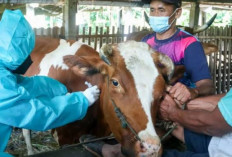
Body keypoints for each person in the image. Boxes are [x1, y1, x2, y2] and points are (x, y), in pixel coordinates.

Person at [78, 0, 215, 156]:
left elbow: (207, 86)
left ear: (177, 13)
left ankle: (112, 150)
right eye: (152, 10)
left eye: (161, 10)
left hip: (176, 114)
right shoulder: (145, 43)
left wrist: (192, 92)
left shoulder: (189, 44)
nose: (155, 15)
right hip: (148, 111)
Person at [0, 9, 100, 157]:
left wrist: (59, 87)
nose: (29, 59)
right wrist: (81, 101)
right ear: (12, 53)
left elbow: (28, 84)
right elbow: (36, 114)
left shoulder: (3, 71)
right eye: (25, 53)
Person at [159, 89, 232, 157]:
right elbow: (226, 104)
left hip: (223, 147)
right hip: (224, 140)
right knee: (180, 130)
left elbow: (215, 125)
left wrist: (173, 113)